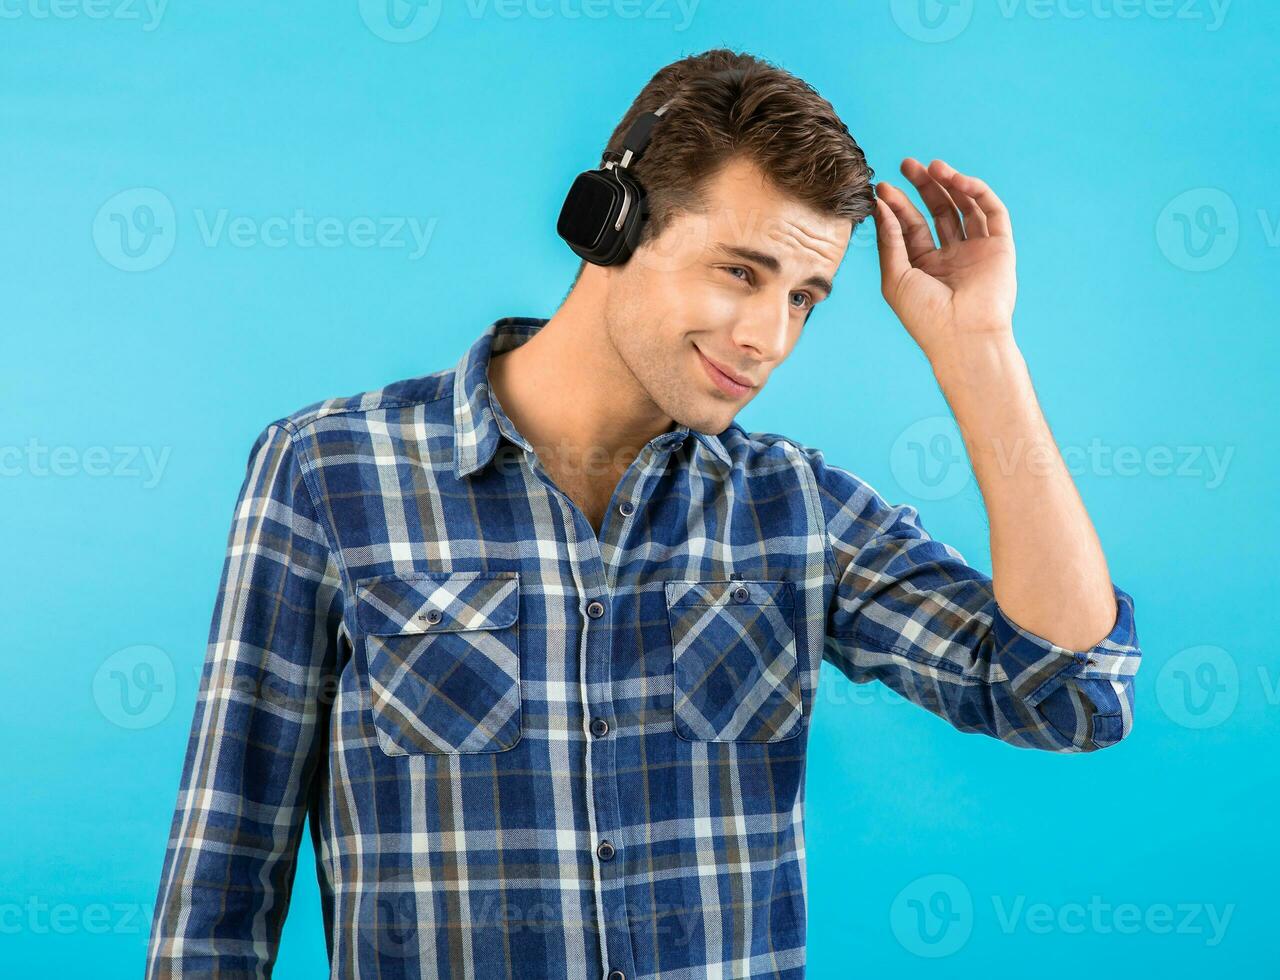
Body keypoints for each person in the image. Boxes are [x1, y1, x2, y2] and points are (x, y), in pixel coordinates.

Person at [146, 46, 1142, 980]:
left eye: (804, 297)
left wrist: (979, 351)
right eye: (741, 271)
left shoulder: (796, 507)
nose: (768, 337)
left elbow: (1064, 694)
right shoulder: (327, 472)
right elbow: (223, 872)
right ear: (609, 224)